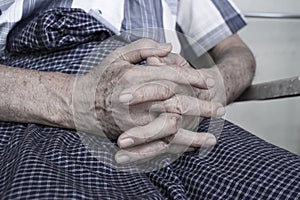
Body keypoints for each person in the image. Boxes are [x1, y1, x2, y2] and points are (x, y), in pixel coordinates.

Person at [0, 0, 299, 199]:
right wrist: (82, 100)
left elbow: (236, 52)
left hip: (174, 106)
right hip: (38, 101)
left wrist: (206, 88)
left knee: (286, 185)